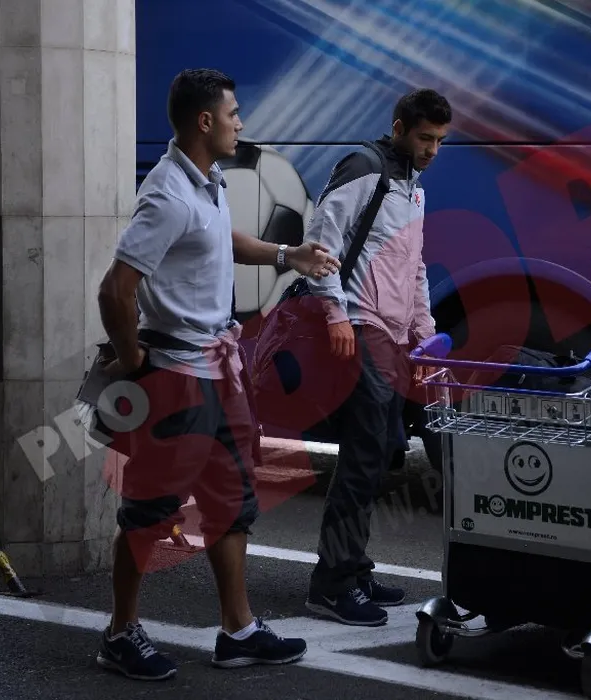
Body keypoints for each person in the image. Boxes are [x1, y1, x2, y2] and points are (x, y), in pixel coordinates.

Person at [94, 68, 339, 680]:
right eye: (233, 114)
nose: (240, 123)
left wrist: (287, 255)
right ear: (205, 122)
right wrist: (134, 363)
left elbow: (218, 238)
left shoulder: (205, 181)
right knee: (149, 510)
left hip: (219, 370)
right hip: (177, 376)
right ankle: (120, 634)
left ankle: (238, 631)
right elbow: (115, 290)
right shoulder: (167, 194)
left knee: (231, 501)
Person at [302, 88, 452, 626]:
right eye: (425, 138)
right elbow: (320, 244)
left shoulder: (413, 189)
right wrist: (335, 314)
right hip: (361, 326)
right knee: (364, 455)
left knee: (381, 453)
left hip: (393, 336)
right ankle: (332, 584)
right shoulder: (365, 169)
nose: (432, 150)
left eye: (440, 141)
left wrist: (426, 338)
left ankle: (354, 568)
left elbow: (415, 270)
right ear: (399, 128)